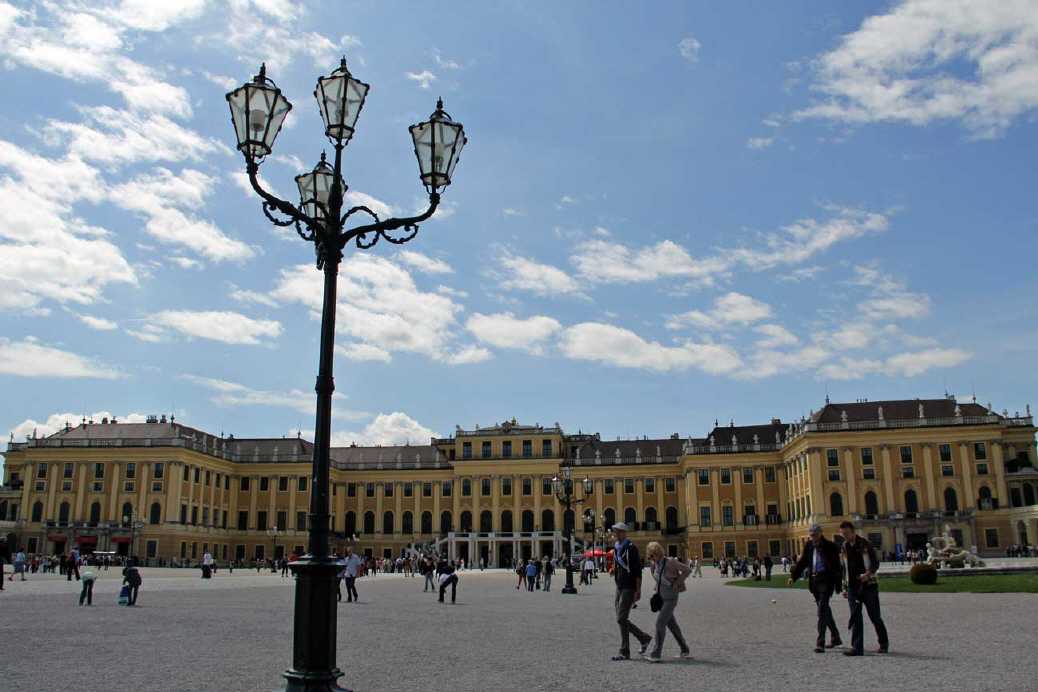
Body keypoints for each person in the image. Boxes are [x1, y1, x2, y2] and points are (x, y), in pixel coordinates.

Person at [789, 524, 843, 653]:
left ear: (820, 533)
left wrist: (839, 584)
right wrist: (794, 576)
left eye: (814, 535)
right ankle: (835, 637)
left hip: (826, 580)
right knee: (825, 610)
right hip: (814, 581)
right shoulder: (809, 545)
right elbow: (802, 562)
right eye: (811, 535)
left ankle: (820, 642)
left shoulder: (830, 546)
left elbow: (837, 567)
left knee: (822, 610)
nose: (812, 538)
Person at [839, 521, 889, 656]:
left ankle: (883, 643)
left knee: (875, 616)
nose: (845, 536)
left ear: (853, 531)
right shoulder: (844, 547)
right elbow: (844, 568)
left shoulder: (865, 544)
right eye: (843, 534)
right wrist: (844, 587)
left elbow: (875, 563)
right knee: (855, 616)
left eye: (847, 533)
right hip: (852, 587)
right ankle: (857, 647)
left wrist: (868, 574)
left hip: (868, 585)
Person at [610, 523, 652, 661]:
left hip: (629, 586)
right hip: (619, 586)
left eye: (615, 532)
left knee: (621, 618)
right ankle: (627, 650)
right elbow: (618, 566)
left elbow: (637, 571)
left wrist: (638, 589)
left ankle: (641, 639)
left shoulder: (631, 548)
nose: (613, 534)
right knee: (621, 620)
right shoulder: (616, 548)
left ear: (622, 532)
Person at [643, 541, 691, 662]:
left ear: (658, 552)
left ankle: (656, 654)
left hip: (670, 597)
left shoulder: (671, 562)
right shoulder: (654, 564)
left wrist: (677, 583)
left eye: (653, 554)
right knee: (672, 625)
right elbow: (656, 578)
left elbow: (687, 570)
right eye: (650, 555)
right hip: (661, 597)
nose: (651, 557)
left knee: (660, 623)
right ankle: (684, 649)